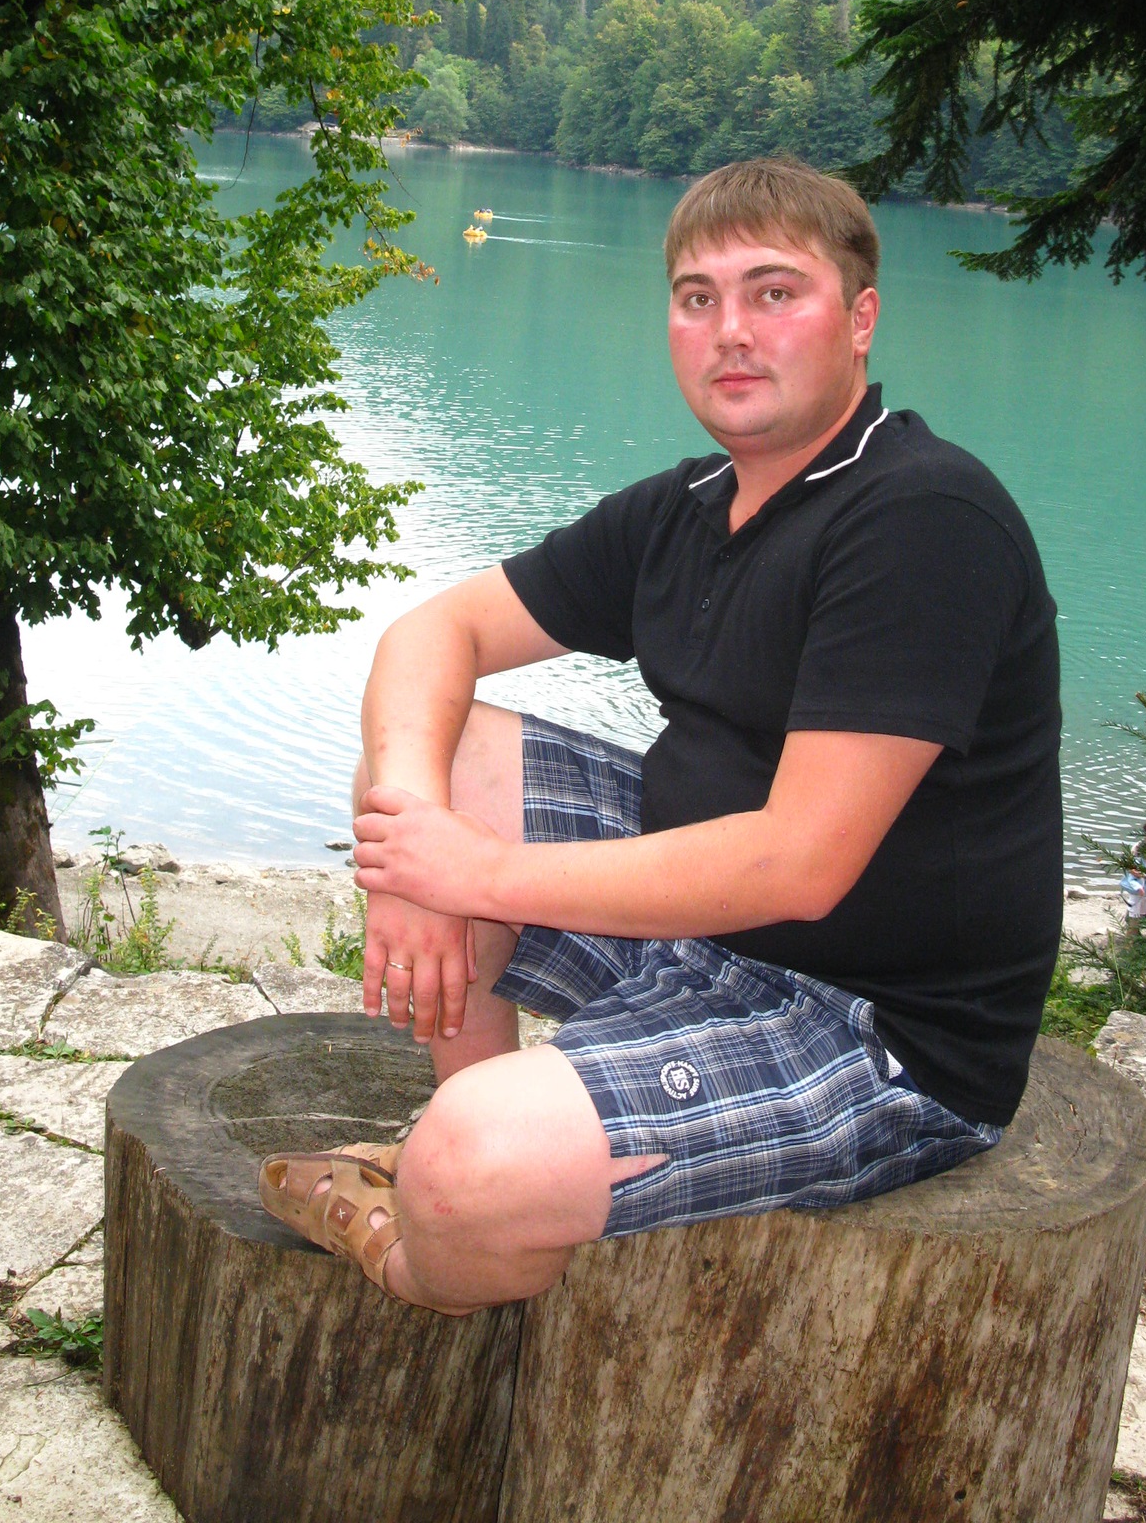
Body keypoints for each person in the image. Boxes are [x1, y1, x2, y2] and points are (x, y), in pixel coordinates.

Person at [259, 159, 1064, 1316]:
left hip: (874, 1032)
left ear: (860, 319)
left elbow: (799, 861)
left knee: (468, 1164)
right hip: (698, 936)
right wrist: (418, 832)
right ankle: (474, 1136)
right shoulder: (690, 507)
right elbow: (434, 632)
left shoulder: (922, 518)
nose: (731, 329)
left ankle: (433, 1225)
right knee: (440, 758)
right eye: (698, 297)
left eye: (774, 291)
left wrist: (470, 873)